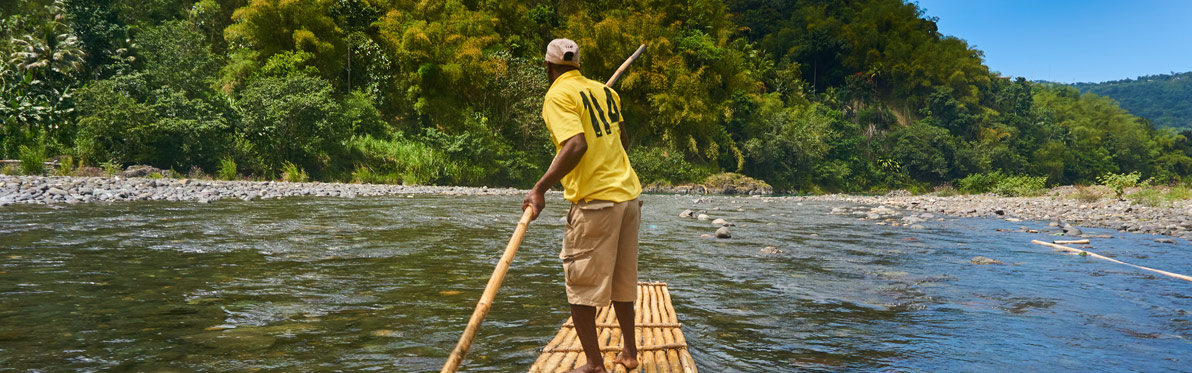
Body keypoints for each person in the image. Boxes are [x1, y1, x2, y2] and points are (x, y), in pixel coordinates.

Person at [522, 38, 643, 373]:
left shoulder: (557, 95)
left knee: (581, 287)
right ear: (577, 64)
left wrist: (539, 189)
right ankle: (629, 353)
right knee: (622, 282)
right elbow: (622, 140)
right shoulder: (606, 93)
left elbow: (576, 144)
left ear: (548, 67)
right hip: (628, 198)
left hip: (596, 205)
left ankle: (593, 364)